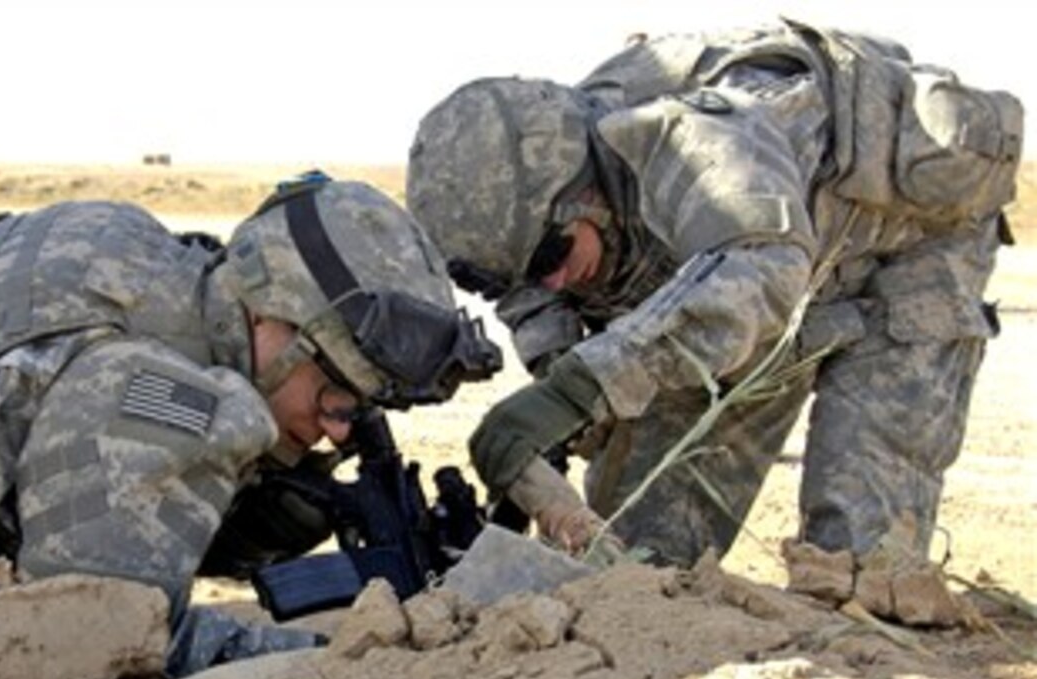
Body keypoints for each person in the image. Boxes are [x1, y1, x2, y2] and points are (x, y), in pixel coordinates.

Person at [406, 20, 1023, 612]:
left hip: (903, 248)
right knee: (628, 567)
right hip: (745, 279)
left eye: (554, 255)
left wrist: (584, 386)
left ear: (588, 192)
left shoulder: (697, 137)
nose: (554, 280)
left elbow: (760, 272)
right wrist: (559, 375)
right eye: (520, 274)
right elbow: (534, 289)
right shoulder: (536, 225)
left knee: (858, 571)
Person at [0, 171, 501, 677]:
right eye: (333, 390)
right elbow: (91, 646)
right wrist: (338, 669)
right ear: (269, 315)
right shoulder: (160, 396)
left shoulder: (136, 254)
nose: (338, 431)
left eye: (356, 407)